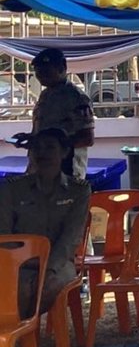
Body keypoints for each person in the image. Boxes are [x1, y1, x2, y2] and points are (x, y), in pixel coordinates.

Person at [0, 128, 89, 317]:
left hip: (59, 264)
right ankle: (22, 331)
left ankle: (22, 330)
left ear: (64, 152)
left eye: (50, 147)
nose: (43, 153)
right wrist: (19, 263)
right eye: (37, 148)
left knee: (46, 287)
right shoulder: (13, 189)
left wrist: (48, 269)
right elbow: (4, 234)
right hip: (19, 263)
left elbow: (70, 238)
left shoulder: (78, 191)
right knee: (21, 289)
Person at [31, 47, 94, 181]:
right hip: (42, 168)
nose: (41, 76)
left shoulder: (76, 97)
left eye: (46, 71)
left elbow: (87, 138)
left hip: (67, 169)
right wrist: (32, 139)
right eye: (38, 72)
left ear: (62, 68)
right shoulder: (45, 95)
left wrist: (55, 146)